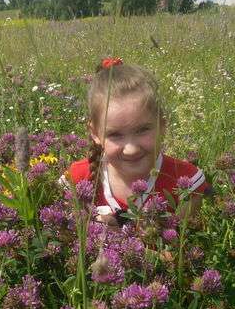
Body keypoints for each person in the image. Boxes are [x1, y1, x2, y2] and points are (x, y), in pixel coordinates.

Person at [60, 57, 210, 225]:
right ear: (95, 133)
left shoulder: (185, 182)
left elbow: (181, 246)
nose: (131, 149)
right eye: (115, 134)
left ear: (162, 126)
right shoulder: (77, 179)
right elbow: (66, 236)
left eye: (142, 130)